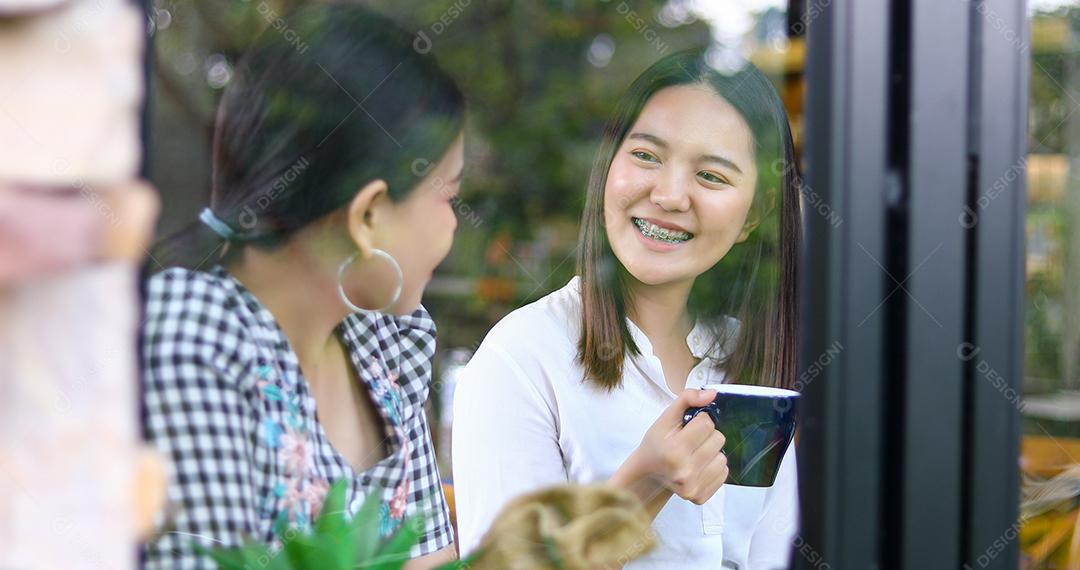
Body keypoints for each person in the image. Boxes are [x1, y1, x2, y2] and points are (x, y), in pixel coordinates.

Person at [139, 4, 464, 567]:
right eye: (448, 196)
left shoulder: (384, 344)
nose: (455, 223)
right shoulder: (192, 339)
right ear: (368, 216)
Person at [452, 48, 801, 569]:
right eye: (646, 156)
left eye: (711, 176)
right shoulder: (523, 358)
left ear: (756, 215)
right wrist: (645, 483)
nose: (669, 194)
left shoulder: (754, 373)